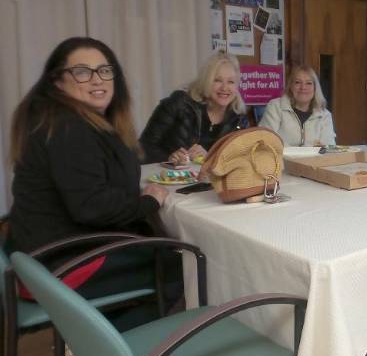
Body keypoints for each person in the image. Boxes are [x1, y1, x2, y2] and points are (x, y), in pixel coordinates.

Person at [6, 37, 172, 327]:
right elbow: (91, 207)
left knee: (162, 250)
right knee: (182, 263)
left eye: (104, 70)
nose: (97, 79)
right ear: (58, 81)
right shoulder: (70, 128)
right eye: (82, 72)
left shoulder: (57, 120)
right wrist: (148, 201)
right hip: (63, 266)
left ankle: (98, 343)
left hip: (38, 258)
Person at [140, 50, 249, 164]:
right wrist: (169, 158)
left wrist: (210, 159)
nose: (224, 88)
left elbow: (243, 163)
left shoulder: (240, 121)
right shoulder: (178, 103)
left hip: (209, 181)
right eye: (217, 80)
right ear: (206, 81)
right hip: (169, 178)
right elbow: (143, 147)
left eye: (231, 82)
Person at [259, 65, 336, 146]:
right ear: (291, 87)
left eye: (309, 83)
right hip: (280, 158)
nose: (303, 87)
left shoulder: (324, 115)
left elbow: (329, 147)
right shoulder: (275, 107)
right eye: (297, 82)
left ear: (315, 88)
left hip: (313, 158)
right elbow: (265, 139)